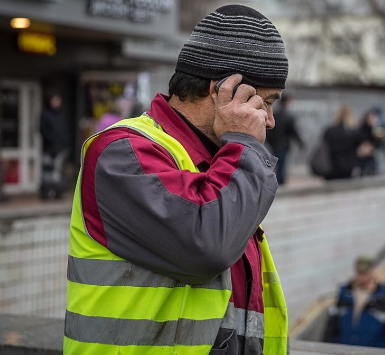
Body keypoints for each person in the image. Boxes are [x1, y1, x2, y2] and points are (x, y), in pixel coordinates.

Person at [64, 5, 289, 355]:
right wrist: (244, 145)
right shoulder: (122, 153)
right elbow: (207, 246)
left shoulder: (220, 166)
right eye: (267, 102)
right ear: (222, 90)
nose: (271, 120)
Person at [324, 256, 385, 349]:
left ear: (373, 271)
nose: (361, 277)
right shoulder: (345, 293)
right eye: (359, 273)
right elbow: (331, 326)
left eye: (365, 273)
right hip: (345, 349)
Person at [266, 94, 305, 184]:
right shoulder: (288, 116)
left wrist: (270, 141)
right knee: (281, 165)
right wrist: (301, 143)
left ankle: (276, 182)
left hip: (274, 144)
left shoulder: (274, 114)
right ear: (286, 102)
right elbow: (293, 132)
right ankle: (280, 183)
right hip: (283, 144)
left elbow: (268, 130)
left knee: (275, 164)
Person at [39, 91, 67, 200]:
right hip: (49, 148)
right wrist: (52, 142)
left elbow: (63, 131)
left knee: (57, 172)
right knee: (47, 172)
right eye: (55, 100)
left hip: (60, 149)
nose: (57, 103)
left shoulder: (60, 115)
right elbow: (43, 131)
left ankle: (57, 193)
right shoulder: (45, 114)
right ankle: (45, 193)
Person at [323, 104, 362, 180]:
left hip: (331, 166)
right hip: (349, 167)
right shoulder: (353, 131)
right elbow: (359, 145)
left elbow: (324, 144)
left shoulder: (330, 130)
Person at [358, 109, 380, 176]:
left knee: (372, 166)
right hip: (363, 152)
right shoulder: (363, 127)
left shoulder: (372, 128)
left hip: (370, 152)